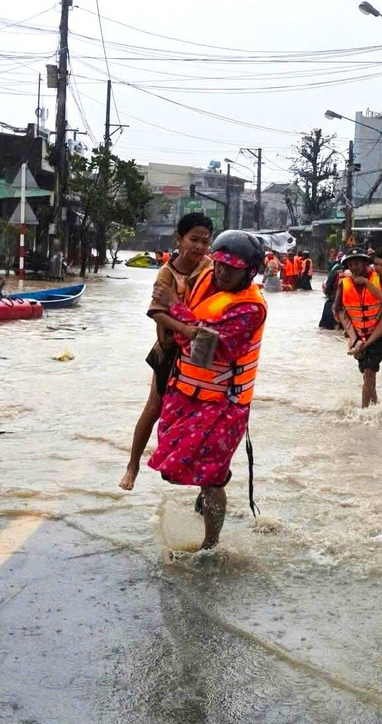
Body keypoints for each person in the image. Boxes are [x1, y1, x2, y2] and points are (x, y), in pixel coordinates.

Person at [144, 230, 267, 549]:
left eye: (233, 267)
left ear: (249, 271)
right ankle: (210, 489)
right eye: (221, 264)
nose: (223, 272)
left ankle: (210, 545)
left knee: (211, 479)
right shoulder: (204, 280)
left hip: (223, 406)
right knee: (171, 470)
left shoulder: (249, 308)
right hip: (185, 394)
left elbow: (207, 349)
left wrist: (176, 310)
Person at [119, 213, 213, 494]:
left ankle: (204, 482)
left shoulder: (211, 269)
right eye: (193, 239)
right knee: (155, 406)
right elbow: (156, 312)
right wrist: (184, 328)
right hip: (169, 350)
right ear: (179, 239)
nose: (198, 247)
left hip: (200, 351)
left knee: (203, 415)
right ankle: (133, 465)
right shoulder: (167, 272)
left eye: (205, 241)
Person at [333, 250, 382, 407]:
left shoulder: (380, 279)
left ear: (365, 263)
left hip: (379, 333)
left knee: (370, 369)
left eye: (357, 263)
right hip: (358, 334)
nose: (354, 267)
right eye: (351, 264)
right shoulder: (343, 284)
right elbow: (337, 310)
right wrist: (350, 334)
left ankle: (364, 413)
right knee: (365, 371)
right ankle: (375, 404)